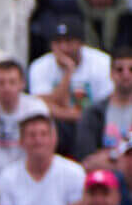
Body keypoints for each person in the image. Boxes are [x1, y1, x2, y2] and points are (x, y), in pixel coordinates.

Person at [0, 113, 85, 205]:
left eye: (43, 134)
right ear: (21, 141)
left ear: (53, 139)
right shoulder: (7, 176)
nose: (38, 140)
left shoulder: (74, 173)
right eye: (32, 135)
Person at [28, 14, 113, 150]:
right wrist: (68, 73)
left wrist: (80, 116)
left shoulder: (102, 62)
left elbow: (106, 104)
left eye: (68, 42)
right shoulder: (39, 66)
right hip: (58, 124)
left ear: (80, 43)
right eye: (58, 42)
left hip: (94, 123)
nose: (63, 48)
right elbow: (41, 105)